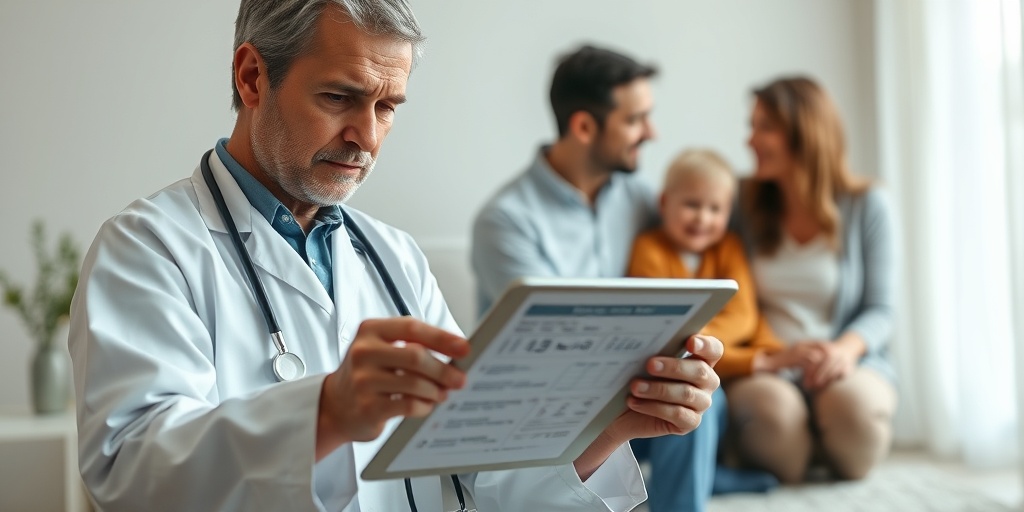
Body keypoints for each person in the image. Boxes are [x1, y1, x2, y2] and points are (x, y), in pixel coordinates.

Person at [67, 1, 725, 511]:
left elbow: (478, 475)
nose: (367, 136)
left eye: (387, 107)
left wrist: (610, 425)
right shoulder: (148, 249)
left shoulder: (394, 256)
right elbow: (132, 476)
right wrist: (325, 414)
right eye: (339, 98)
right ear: (252, 77)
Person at [471, 46, 721, 512]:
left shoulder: (643, 199)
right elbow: (551, 342)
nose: (652, 133)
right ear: (585, 126)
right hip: (547, 408)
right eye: (636, 120)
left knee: (693, 387)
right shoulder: (506, 221)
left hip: (626, 390)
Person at [726, 76, 898, 484]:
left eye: (764, 127)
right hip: (769, 363)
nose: (750, 140)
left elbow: (882, 309)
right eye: (752, 126)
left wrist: (843, 351)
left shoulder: (867, 204)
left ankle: (825, 429)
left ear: (805, 132)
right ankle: (803, 437)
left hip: (843, 361)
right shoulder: (741, 202)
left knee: (856, 426)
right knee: (779, 438)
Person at [626, 149, 781, 509]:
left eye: (715, 209)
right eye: (692, 205)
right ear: (664, 203)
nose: (703, 218)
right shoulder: (649, 248)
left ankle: (706, 474)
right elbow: (661, 329)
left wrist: (694, 338)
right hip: (659, 377)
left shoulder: (729, 248)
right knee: (687, 399)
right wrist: (744, 357)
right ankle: (684, 495)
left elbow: (742, 315)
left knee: (710, 400)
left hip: (710, 373)